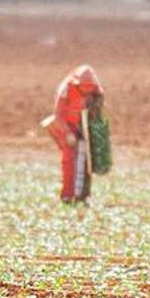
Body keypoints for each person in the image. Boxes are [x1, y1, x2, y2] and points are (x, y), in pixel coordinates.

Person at [51, 65, 104, 204]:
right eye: (84, 87)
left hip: (79, 124)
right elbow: (57, 116)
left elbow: (97, 115)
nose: (86, 91)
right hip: (63, 125)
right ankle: (67, 196)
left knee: (87, 159)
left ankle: (83, 195)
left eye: (90, 87)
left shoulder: (96, 91)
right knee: (69, 158)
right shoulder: (66, 88)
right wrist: (68, 133)